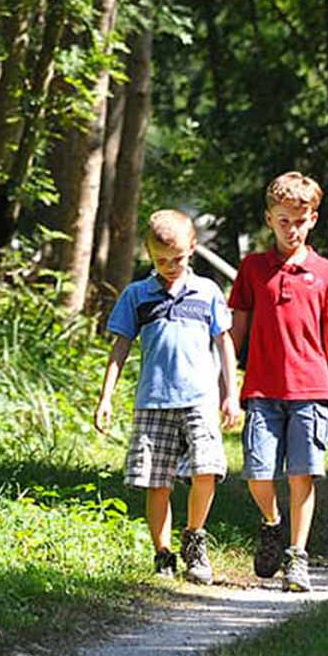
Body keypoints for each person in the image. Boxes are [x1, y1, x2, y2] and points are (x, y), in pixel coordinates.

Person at [94, 210, 244, 584]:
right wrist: (106, 397)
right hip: (154, 401)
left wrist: (232, 394)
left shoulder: (207, 292)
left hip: (200, 399)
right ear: (148, 254)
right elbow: (120, 347)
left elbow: (224, 342)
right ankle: (162, 554)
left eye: (176, 259)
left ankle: (194, 539)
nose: (170, 267)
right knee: (155, 480)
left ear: (192, 248)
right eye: (160, 260)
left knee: (206, 470)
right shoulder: (138, 295)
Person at [228, 172, 328, 592]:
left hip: (311, 388)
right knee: (257, 473)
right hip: (262, 388)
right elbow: (237, 330)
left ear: (313, 219)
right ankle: (272, 524)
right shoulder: (253, 269)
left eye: (299, 221)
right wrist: (227, 382)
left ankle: (297, 556)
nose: (291, 228)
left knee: (303, 474)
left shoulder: (326, 273)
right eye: (283, 220)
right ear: (269, 219)